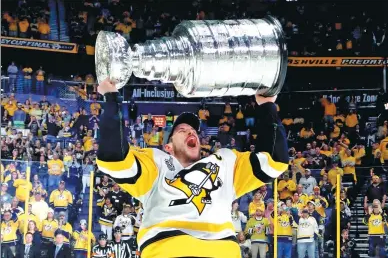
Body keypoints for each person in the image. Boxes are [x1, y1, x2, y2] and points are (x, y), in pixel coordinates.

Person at [95, 78, 289, 258]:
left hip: (220, 250)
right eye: (182, 130)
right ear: (168, 146)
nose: (191, 132)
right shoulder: (156, 163)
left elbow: (273, 160)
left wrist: (266, 106)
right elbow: (114, 157)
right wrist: (111, 99)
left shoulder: (225, 162)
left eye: (193, 130)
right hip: (168, 249)